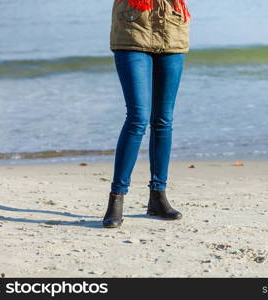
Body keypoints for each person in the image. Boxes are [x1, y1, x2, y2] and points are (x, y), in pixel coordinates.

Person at [102, 0, 191, 228]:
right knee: (137, 118)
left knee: (163, 120)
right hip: (132, 29)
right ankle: (116, 199)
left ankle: (158, 197)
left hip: (172, 30)